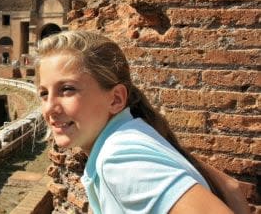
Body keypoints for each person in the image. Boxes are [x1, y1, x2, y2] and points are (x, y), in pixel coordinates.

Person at [35, 30, 249, 214]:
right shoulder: (135, 133)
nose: (49, 108)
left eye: (67, 89)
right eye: (44, 93)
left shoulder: (119, 158)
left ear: (116, 99)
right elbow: (231, 188)